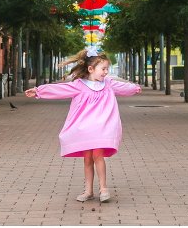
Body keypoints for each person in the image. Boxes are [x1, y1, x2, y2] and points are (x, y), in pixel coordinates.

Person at [24, 47, 140, 203]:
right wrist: (39, 91)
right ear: (91, 69)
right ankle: (88, 191)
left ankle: (104, 188)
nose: (106, 72)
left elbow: (124, 87)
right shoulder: (79, 85)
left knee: (98, 155)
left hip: (103, 128)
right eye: (103, 68)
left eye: (107, 69)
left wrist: (135, 88)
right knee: (87, 159)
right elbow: (59, 89)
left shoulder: (108, 84)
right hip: (85, 129)